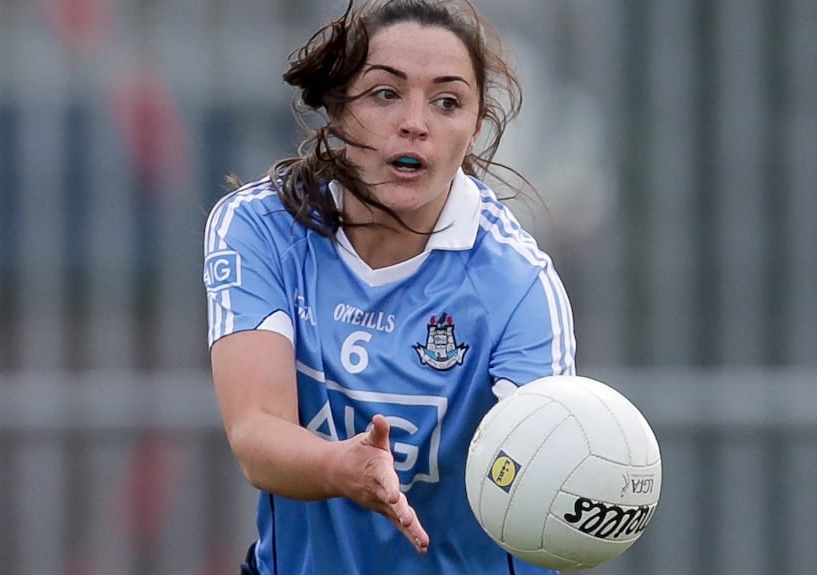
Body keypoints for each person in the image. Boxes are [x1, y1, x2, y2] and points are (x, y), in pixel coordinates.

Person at [204, 0, 576, 573]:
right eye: (385, 93)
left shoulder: (519, 284)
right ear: (337, 110)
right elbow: (257, 431)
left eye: (447, 102)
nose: (416, 122)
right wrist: (341, 468)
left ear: (475, 130)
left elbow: (535, 468)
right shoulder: (260, 228)